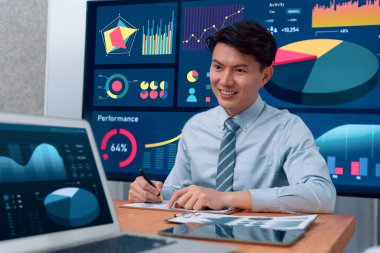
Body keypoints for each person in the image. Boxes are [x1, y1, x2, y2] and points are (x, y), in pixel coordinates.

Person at [128, 20, 336, 213]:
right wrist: (153, 193)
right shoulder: (196, 127)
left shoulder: (288, 128)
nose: (225, 81)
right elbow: (177, 191)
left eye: (239, 70)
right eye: (218, 67)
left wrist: (228, 199)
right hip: (199, 237)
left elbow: (322, 195)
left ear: (265, 76)